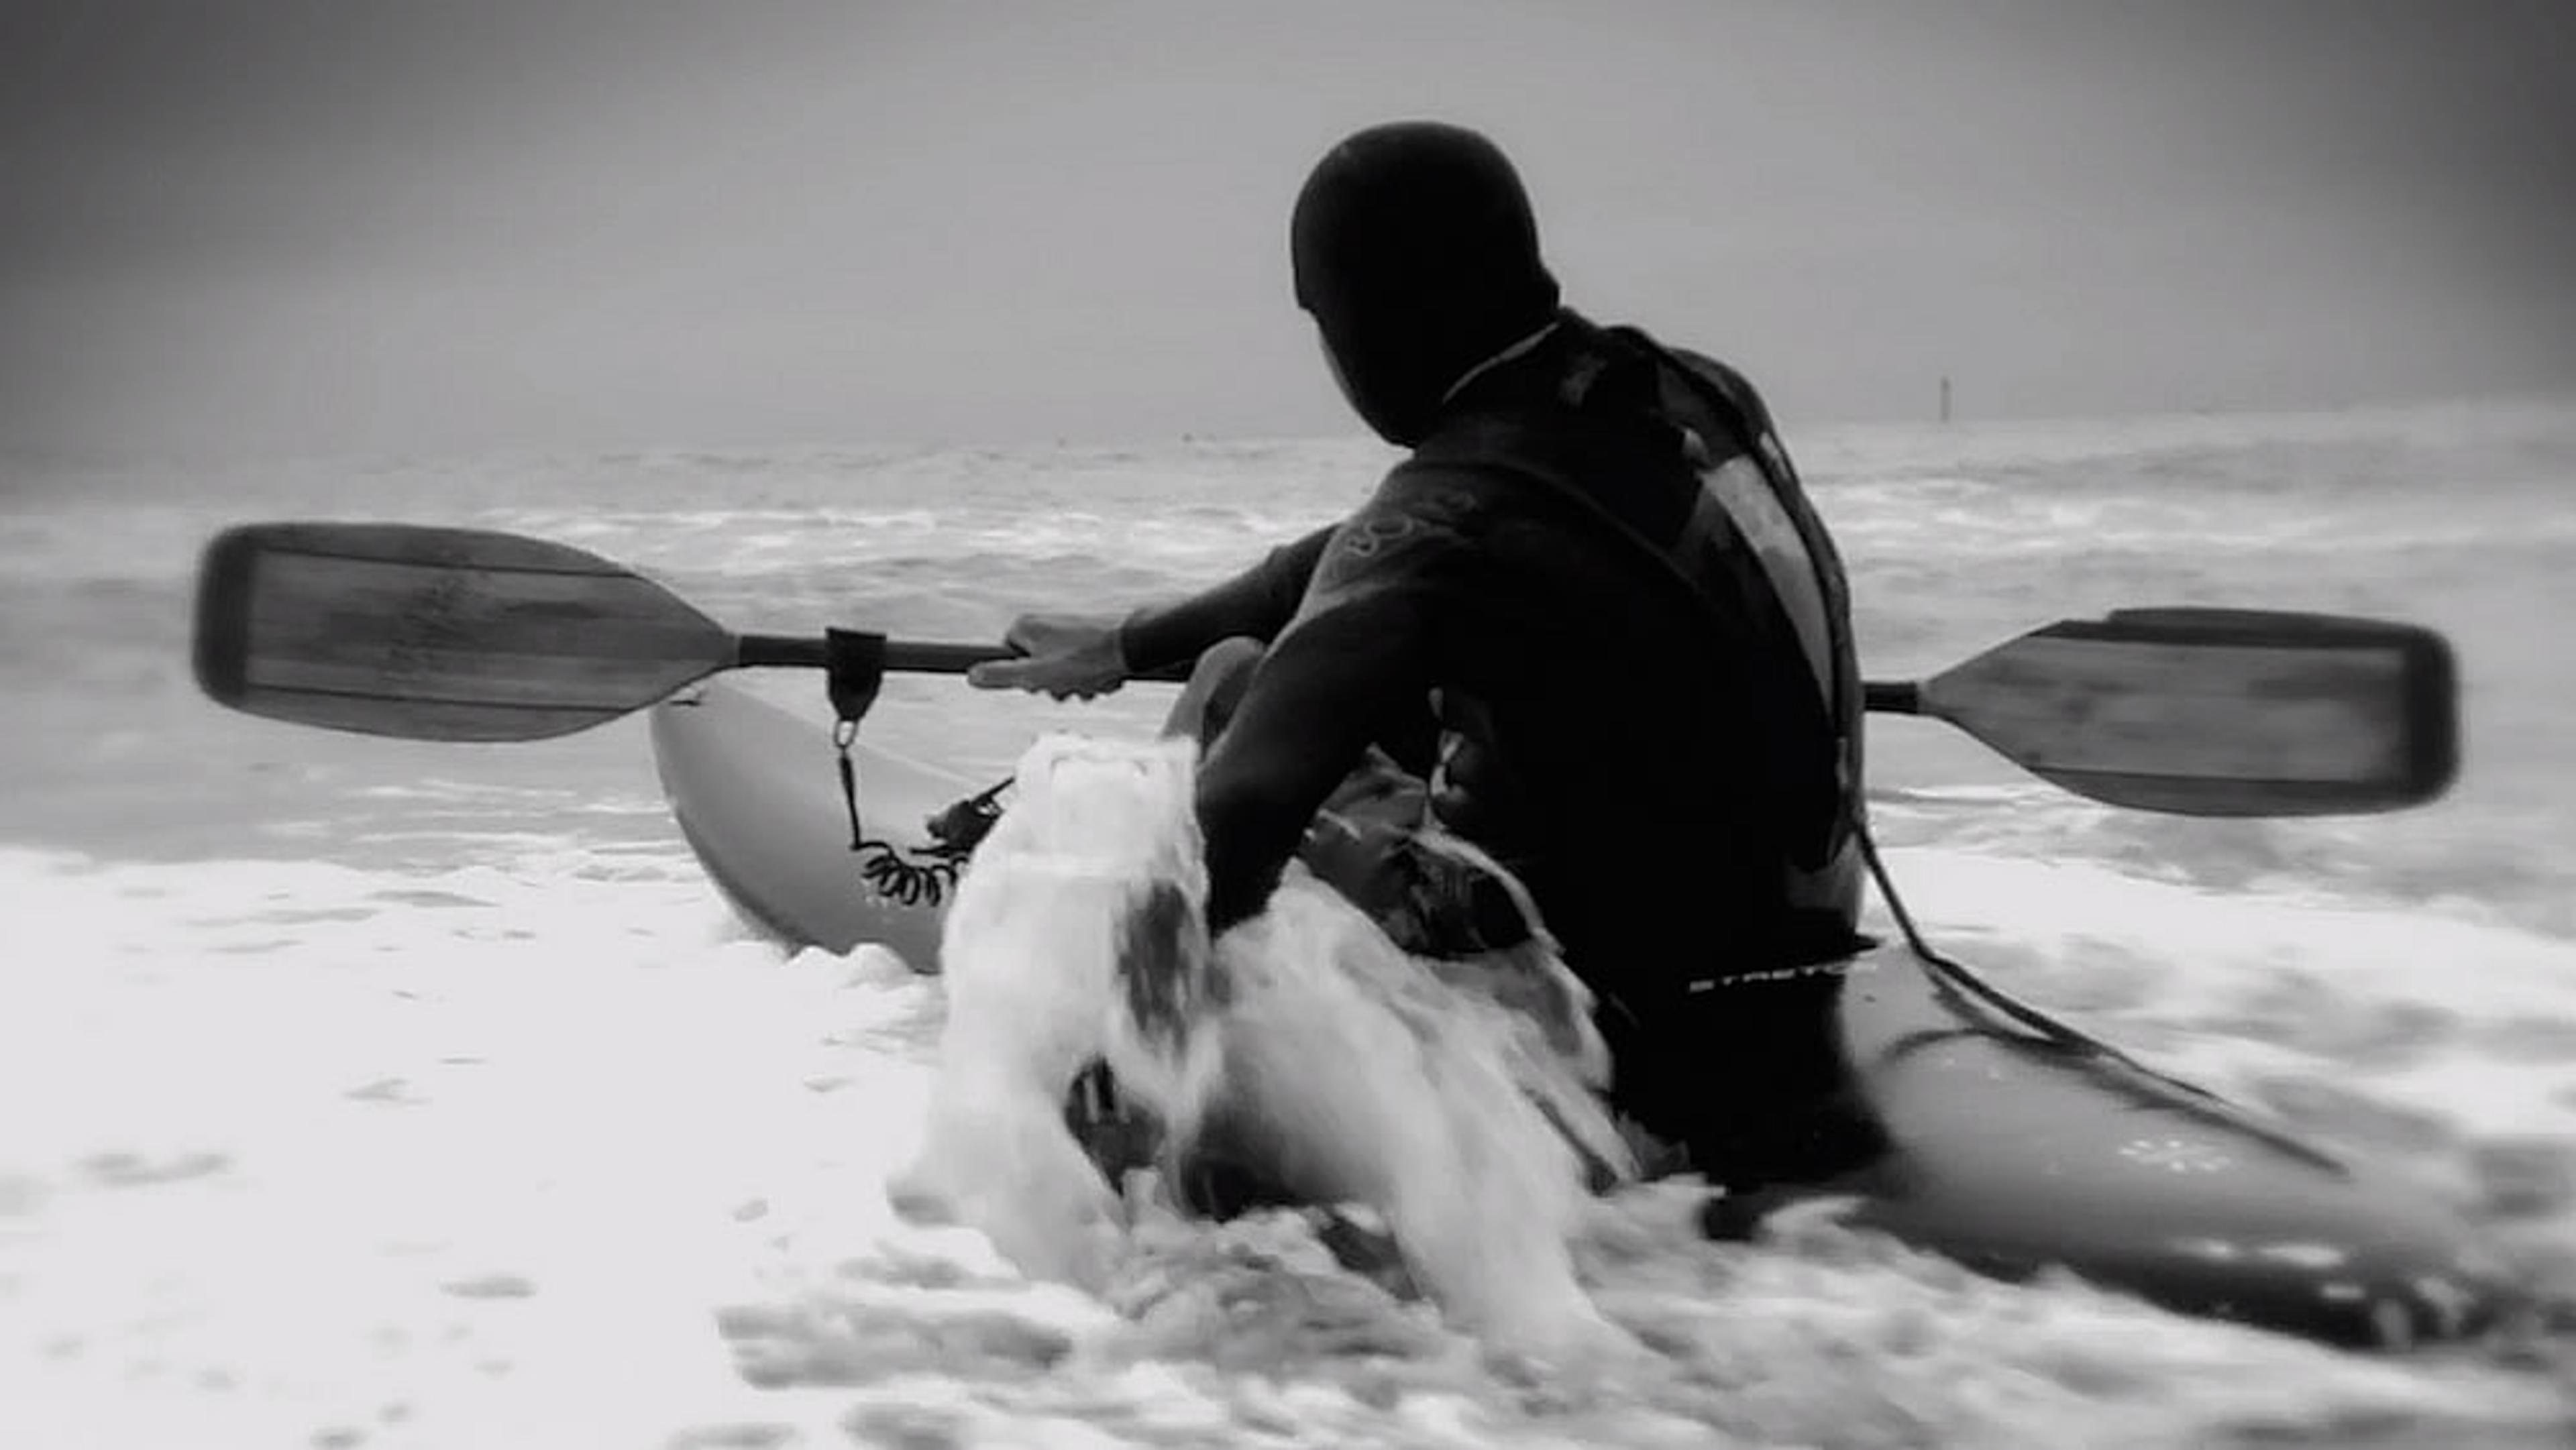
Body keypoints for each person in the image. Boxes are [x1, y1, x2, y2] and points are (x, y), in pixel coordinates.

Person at [972, 120, 1880, 1194]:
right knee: (1386, 679)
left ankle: (1178, 1065)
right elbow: (1352, 563)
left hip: (1613, 1018)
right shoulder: (1685, 392)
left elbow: (1249, 806)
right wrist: (1125, 641)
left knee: (1232, 685)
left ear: (1368, 321)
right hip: (1785, 933)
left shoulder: (1448, 520)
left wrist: (1110, 1057)